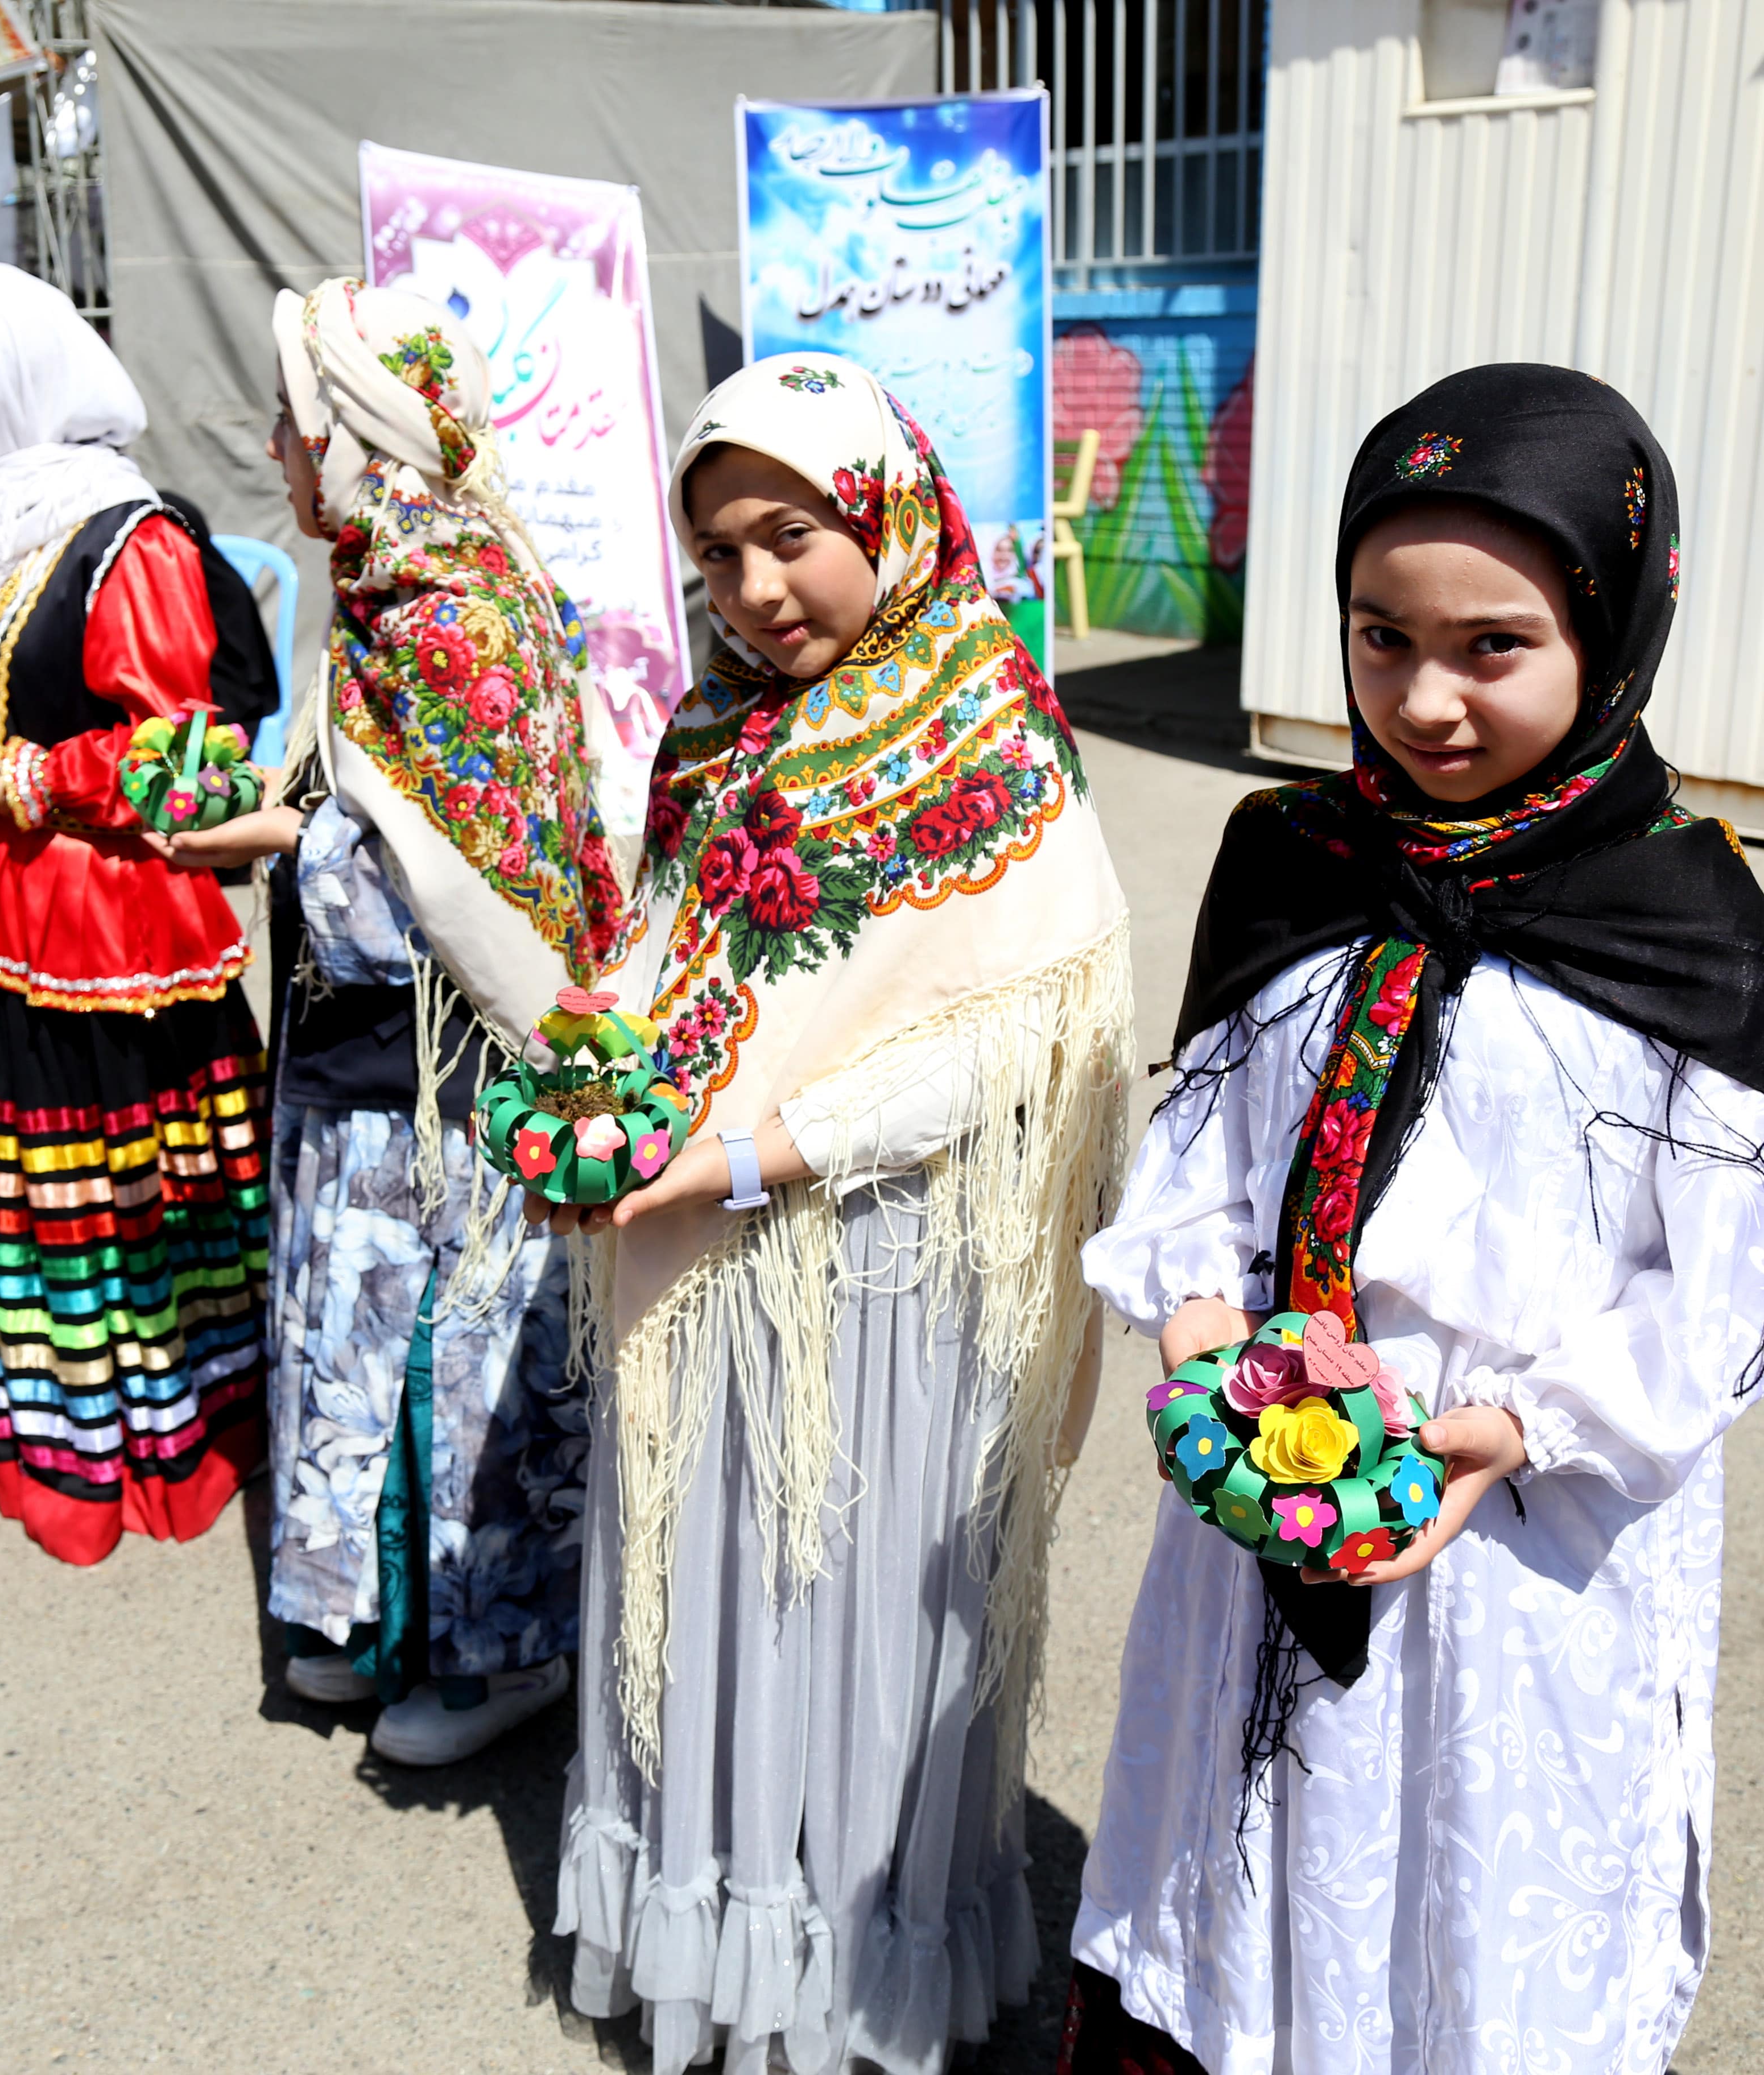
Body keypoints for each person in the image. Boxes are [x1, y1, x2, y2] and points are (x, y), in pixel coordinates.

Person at [1062, 367, 1764, 2075]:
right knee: (1264, 1880)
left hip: (1526, 1543)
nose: (1423, 697)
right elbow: (1198, 1151)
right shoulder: (1287, 856)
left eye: (1494, 644)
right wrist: (1209, 1359)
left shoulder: (1689, 913)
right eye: (1377, 634)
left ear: (1612, 627)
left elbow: (1736, 1275)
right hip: (1275, 1497)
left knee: (1473, 1911)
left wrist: (1498, 1432)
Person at [542, 353, 1135, 2074]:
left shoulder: (982, 718)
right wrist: (596, 1087)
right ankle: (738, 1980)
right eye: (720, 554)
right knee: (726, 1603)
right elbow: (667, 969)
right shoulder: (716, 725)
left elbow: (1022, 1035)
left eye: (792, 535)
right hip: (712, 1253)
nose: (757, 589)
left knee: (858, 1618)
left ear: (880, 503)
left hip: (880, 1272)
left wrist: (748, 1154)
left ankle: (861, 1999)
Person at [168, 278, 623, 1763]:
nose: (282, 461)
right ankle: (369, 1622)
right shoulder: (374, 597)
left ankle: (498, 1652)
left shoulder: (456, 616)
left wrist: (287, 843)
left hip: (448, 1070)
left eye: (297, 433)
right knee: (347, 1339)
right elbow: (356, 819)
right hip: (367, 1060)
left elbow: (464, 883)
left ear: (358, 436)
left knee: (449, 1347)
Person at [0, 263, 276, 1568]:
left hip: (98, 925)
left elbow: (183, 747)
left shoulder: (124, 537)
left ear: (0, 388)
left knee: (109, 1192)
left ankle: (130, 1453)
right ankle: (35, 1435)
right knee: (8, 1186)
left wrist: (25, 780)